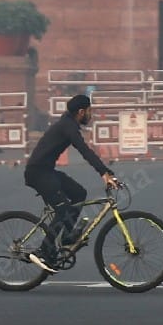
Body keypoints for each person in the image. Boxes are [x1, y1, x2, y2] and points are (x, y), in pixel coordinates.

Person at [23, 94, 120, 273]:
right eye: (89, 112)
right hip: (38, 173)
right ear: (81, 112)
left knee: (79, 193)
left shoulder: (68, 124)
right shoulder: (68, 127)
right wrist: (104, 172)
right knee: (63, 209)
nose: (91, 116)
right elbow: (84, 150)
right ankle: (43, 251)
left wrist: (106, 172)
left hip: (47, 171)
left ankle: (67, 236)